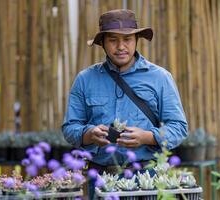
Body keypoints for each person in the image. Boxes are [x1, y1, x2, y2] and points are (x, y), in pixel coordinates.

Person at [62, 9, 188, 198]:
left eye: (127, 39)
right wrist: (89, 134)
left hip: (149, 179)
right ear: (103, 43)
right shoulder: (85, 79)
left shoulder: (160, 78)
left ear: (137, 40)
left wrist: (147, 137)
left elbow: (179, 128)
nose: (121, 46)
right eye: (113, 40)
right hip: (100, 179)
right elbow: (70, 128)